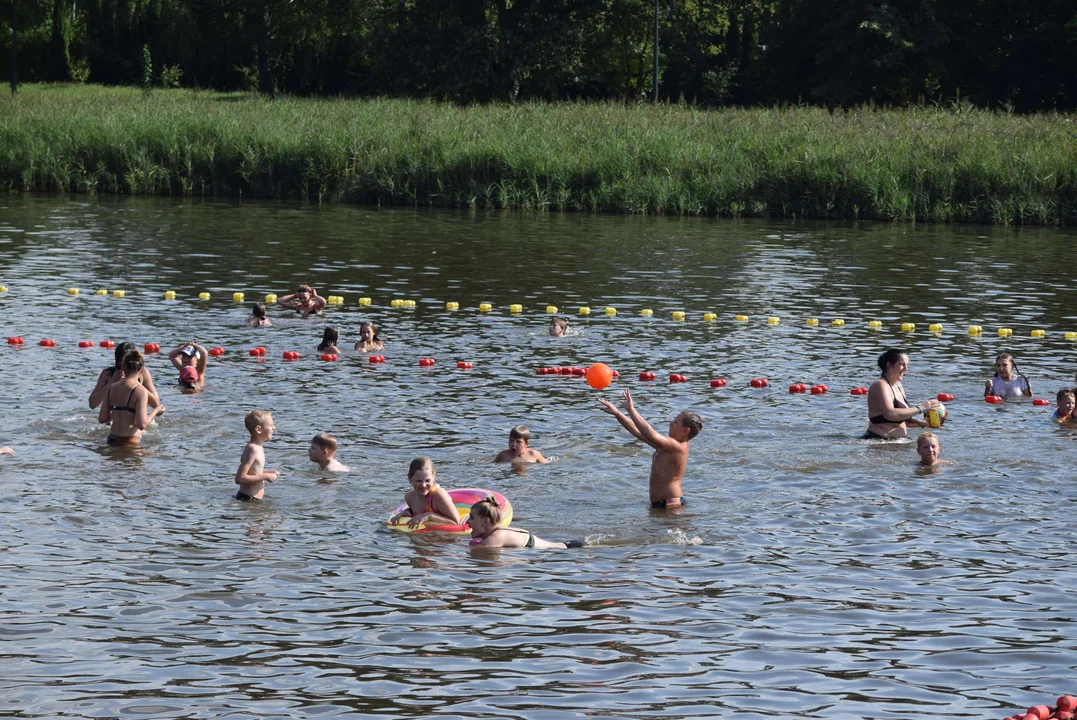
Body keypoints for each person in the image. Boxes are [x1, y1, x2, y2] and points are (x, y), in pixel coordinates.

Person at [598, 389, 703, 508]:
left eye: (675, 422)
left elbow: (650, 433)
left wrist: (631, 410)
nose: (670, 423)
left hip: (670, 505)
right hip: (665, 505)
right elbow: (638, 432)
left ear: (685, 431)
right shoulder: (667, 446)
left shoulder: (677, 446)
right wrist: (617, 413)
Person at [863, 348, 939, 440]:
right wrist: (921, 408)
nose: (906, 369)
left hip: (898, 442)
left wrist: (921, 423)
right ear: (889, 365)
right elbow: (890, 414)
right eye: (902, 365)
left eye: (907, 365)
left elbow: (899, 419)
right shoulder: (880, 385)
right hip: (879, 441)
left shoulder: (898, 386)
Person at [97, 350, 166, 446]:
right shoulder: (140, 391)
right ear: (142, 371)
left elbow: (102, 418)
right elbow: (142, 424)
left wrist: (120, 413)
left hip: (111, 439)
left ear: (123, 368)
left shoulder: (111, 387)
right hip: (130, 441)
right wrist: (156, 411)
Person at [468, 496, 582, 549]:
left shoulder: (498, 536)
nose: (467, 522)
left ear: (486, 521)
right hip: (567, 545)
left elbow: (475, 549)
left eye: (472, 518)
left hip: (568, 552)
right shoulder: (499, 532)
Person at [388, 457, 461, 528]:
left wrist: (429, 516)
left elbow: (456, 523)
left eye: (427, 480)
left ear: (433, 475)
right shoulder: (409, 497)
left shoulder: (438, 496)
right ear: (410, 478)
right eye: (418, 481)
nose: (423, 485)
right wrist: (406, 512)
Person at [88, 341, 159, 410]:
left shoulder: (142, 373)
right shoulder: (107, 374)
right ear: (117, 362)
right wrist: (111, 383)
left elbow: (156, 404)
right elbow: (92, 404)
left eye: (128, 366)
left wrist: (136, 384)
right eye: (121, 366)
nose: (124, 370)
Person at [235, 410, 279, 500]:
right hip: (247, 499)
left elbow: (253, 473)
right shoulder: (252, 449)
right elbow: (240, 478)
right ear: (258, 429)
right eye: (271, 425)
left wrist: (267, 473)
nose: (274, 427)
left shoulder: (259, 448)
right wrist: (265, 476)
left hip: (253, 500)